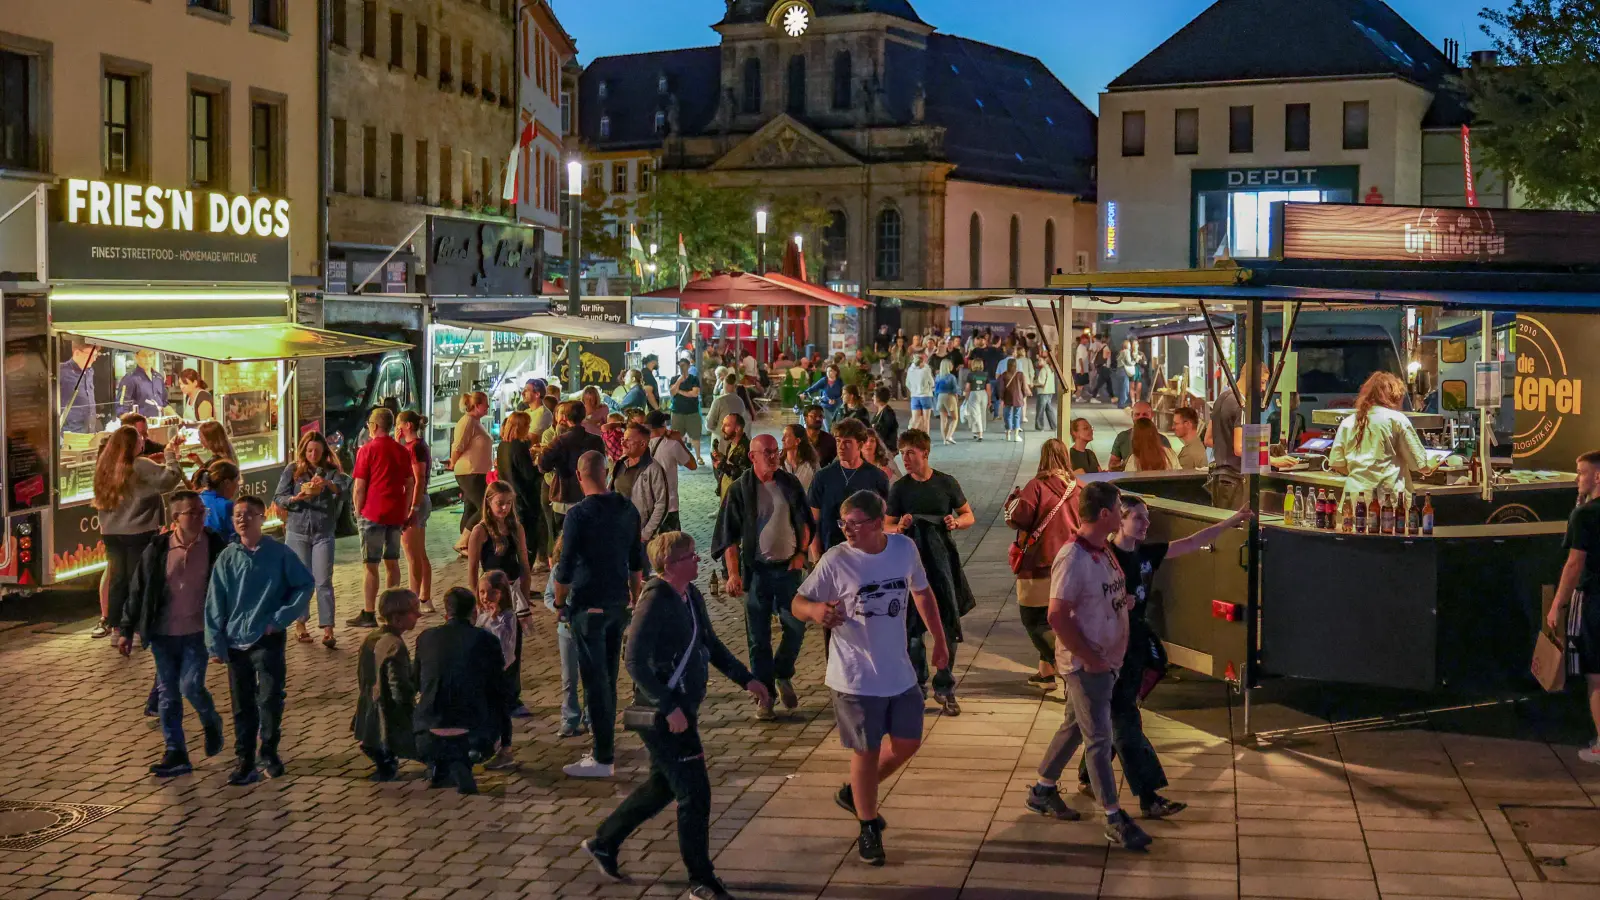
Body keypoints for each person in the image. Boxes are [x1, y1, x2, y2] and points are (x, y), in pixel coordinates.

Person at [578, 533, 765, 898]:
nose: (698, 561)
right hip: (666, 715)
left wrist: (748, 680)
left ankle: (604, 841)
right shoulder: (655, 601)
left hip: (683, 707)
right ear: (670, 564)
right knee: (695, 793)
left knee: (663, 785)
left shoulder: (690, 595)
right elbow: (633, 660)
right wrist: (669, 706)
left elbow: (709, 643)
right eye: (691, 557)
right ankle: (700, 879)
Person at [791, 490, 949, 866]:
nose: (847, 530)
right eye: (843, 523)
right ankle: (867, 826)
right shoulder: (836, 560)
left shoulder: (903, 550)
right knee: (868, 750)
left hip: (898, 670)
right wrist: (816, 611)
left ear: (879, 523)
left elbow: (923, 594)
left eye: (855, 523)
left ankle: (857, 793)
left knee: (908, 742)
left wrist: (940, 641)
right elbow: (798, 603)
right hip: (855, 675)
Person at [1078, 494, 1250, 813]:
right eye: (1139, 518)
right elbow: (1080, 601)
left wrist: (1231, 522)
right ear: (1120, 520)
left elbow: (1190, 542)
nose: (1146, 524)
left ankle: (1089, 774)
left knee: (1116, 714)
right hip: (1109, 647)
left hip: (1136, 644)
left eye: (1147, 518)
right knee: (1125, 718)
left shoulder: (1145, 554)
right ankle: (1148, 797)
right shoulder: (1103, 557)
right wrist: (1114, 605)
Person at [1024, 481, 1152, 851]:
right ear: (1106, 514)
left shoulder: (1102, 550)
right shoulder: (1073, 557)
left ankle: (1043, 790)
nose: (1125, 514)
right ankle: (1114, 817)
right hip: (1087, 666)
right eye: (1119, 507)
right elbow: (1057, 616)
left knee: (1073, 726)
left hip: (1104, 661)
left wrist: (1121, 602)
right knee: (1099, 739)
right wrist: (1092, 659)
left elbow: (1099, 596)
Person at [116, 490, 228, 777]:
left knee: (191, 685)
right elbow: (138, 589)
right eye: (193, 512)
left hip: (198, 632)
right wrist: (127, 629)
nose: (200, 516)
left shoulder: (215, 545)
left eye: (202, 511)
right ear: (176, 518)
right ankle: (176, 752)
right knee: (167, 695)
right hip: (164, 634)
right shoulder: (158, 548)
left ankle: (210, 721)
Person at [204, 495, 314, 786]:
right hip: (235, 641)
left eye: (248, 514)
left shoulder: (279, 554)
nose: (242, 519)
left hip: (267, 638)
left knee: (269, 698)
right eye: (237, 515)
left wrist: (278, 619)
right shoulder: (228, 557)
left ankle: (269, 750)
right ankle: (245, 758)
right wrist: (214, 642)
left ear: (261, 518)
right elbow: (215, 601)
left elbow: (304, 584)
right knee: (241, 703)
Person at [553, 451, 646, 778]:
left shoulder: (578, 515)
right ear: (605, 472)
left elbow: (564, 568)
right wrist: (633, 598)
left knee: (595, 680)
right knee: (608, 676)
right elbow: (637, 561)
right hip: (617, 602)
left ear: (580, 476)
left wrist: (560, 602)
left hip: (588, 602)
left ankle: (602, 755)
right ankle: (603, 743)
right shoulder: (627, 509)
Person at [713, 434, 814, 720]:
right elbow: (728, 537)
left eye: (776, 451)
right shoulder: (740, 490)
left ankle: (782, 672)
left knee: (796, 625)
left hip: (788, 571)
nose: (773, 456)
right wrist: (733, 575)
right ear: (752, 456)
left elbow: (805, 522)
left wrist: (801, 553)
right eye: (767, 452)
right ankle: (765, 696)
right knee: (758, 638)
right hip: (756, 572)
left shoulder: (789, 483)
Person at [888, 430, 976, 715]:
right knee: (913, 631)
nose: (906, 459)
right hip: (910, 566)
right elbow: (886, 526)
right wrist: (899, 527)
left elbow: (968, 515)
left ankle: (945, 686)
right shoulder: (900, 488)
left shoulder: (946, 483)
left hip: (942, 564)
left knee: (947, 626)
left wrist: (956, 522)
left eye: (910, 453)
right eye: (902, 453)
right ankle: (917, 686)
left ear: (925, 453)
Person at [93, 425, 187, 639]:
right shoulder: (140, 465)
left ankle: (116, 626)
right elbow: (169, 479)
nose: (143, 441)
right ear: (131, 444)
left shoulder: (105, 466)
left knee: (118, 579)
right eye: (139, 439)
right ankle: (134, 628)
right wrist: (170, 456)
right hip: (138, 531)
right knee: (139, 580)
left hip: (111, 532)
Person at [412, 586, 506, 795]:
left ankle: (439, 761)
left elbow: (416, 682)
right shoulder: (486, 640)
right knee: (496, 699)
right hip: (473, 732)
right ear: (473, 612)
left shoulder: (426, 638)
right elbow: (498, 685)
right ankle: (462, 759)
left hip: (427, 729)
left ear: (446, 612)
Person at [1006, 440, 1081, 687]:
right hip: (1070, 563)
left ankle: (1068, 672)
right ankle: (1045, 673)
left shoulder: (1036, 486)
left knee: (1034, 620)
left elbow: (1019, 518)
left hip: (1039, 563)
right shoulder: (1078, 487)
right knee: (1058, 620)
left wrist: (1011, 503)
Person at [1547, 449, 1600, 764]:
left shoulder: (1584, 515)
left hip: (1595, 599)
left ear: (1597, 476)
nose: (1577, 479)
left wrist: (1557, 605)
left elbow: (1574, 564)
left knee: (1596, 677)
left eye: (1581, 473)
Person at [273, 434, 348, 646]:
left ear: (324, 451)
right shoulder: (292, 470)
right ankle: (300, 623)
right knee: (300, 580)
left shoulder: (332, 471)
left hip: (323, 532)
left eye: (316, 450)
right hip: (297, 531)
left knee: (323, 579)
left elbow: (344, 491)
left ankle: (328, 629)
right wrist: (295, 499)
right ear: (303, 451)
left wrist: (328, 484)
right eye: (309, 451)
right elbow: (278, 496)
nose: (312, 455)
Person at [348, 408, 417, 629]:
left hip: (373, 512)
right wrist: (406, 510)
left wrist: (358, 511)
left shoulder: (366, 450)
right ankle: (391, 610)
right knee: (392, 562)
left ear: (375, 426)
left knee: (370, 565)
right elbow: (410, 483)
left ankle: (369, 612)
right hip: (395, 513)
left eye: (369, 423)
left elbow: (359, 486)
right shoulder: (402, 450)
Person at [1328, 371, 1433, 505]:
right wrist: (1432, 467)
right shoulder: (1397, 419)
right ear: (1394, 396)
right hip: (1389, 501)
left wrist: (1364, 473)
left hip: (1354, 499)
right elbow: (1420, 464)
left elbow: (1337, 463)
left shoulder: (1349, 421)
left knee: (1355, 526)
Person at [352, 587, 421, 782]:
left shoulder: (371, 638)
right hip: (388, 707)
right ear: (398, 618)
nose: (418, 615)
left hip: (369, 701)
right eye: (414, 611)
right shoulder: (395, 645)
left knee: (377, 738)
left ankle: (383, 759)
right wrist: (410, 704)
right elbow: (398, 684)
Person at [807, 418, 891, 560]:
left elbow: (884, 520)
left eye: (847, 442)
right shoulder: (823, 477)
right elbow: (813, 520)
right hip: (832, 553)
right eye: (838, 441)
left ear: (860, 444)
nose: (840, 447)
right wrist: (816, 557)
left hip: (867, 554)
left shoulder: (877, 477)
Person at [475, 569, 525, 771]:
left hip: (500, 674)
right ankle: (491, 745)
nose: (486, 598)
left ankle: (505, 750)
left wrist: (495, 619)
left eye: (491, 592)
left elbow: (506, 648)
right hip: (484, 673)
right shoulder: (483, 615)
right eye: (482, 592)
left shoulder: (507, 617)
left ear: (503, 593)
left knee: (501, 711)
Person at [540, 400, 607, 531]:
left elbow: (543, 465)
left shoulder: (560, 441)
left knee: (562, 544)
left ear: (565, 418)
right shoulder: (596, 440)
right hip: (590, 496)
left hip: (564, 498)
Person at [395, 411, 434, 611]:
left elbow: (418, 479)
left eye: (399, 424)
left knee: (412, 556)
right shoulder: (415, 446)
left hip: (415, 501)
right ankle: (424, 596)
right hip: (418, 501)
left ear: (407, 425)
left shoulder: (415, 447)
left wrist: (413, 506)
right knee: (419, 553)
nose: (397, 428)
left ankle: (414, 599)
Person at [497, 411, 546, 564]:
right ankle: (523, 578)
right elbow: (528, 474)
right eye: (527, 425)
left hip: (510, 496)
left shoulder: (502, 445)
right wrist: (539, 465)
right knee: (528, 541)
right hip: (523, 499)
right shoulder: (519, 445)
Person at [446, 391, 493, 552]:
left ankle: (467, 543)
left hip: (478, 472)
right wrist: (452, 461)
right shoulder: (467, 422)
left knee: (471, 507)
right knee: (485, 507)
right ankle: (463, 541)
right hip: (469, 471)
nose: (488, 406)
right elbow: (458, 445)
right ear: (476, 405)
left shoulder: (476, 422)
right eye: (485, 403)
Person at [611, 423, 671, 544]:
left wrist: (645, 535)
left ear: (643, 444)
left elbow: (661, 504)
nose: (623, 443)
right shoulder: (620, 463)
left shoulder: (653, 469)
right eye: (623, 439)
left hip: (639, 536)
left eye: (628, 440)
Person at [645, 410, 698, 533]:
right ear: (662, 427)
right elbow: (692, 465)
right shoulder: (672, 445)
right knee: (672, 546)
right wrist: (679, 440)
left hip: (647, 505)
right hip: (669, 505)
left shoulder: (641, 445)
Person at [1108, 402, 1171, 471]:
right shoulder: (1122, 437)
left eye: (1145, 414)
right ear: (1132, 415)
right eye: (1137, 414)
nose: (1141, 417)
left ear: (1152, 415)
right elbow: (1112, 464)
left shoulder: (1163, 440)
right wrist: (1124, 466)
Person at [60, 341, 101, 434]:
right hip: (71, 432)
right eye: (90, 355)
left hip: (90, 430)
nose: (93, 359)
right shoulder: (61, 372)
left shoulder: (90, 371)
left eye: (95, 355)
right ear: (77, 353)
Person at [669, 358, 703, 462]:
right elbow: (672, 392)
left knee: (695, 436)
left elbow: (694, 393)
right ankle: (679, 457)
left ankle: (698, 457)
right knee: (677, 437)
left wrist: (679, 391)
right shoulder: (674, 379)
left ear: (688, 366)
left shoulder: (694, 379)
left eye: (683, 365)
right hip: (677, 412)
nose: (681, 367)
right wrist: (679, 381)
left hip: (692, 412)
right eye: (679, 365)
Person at [116, 348, 168, 417]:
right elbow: (121, 410)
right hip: (140, 425)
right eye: (144, 356)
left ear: (154, 357)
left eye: (150, 355)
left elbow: (165, 404)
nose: (147, 359)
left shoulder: (159, 378)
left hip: (160, 424)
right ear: (136, 357)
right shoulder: (129, 379)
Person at [198, 460, 241, 542]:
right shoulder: (227, 506)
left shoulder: (197, 499)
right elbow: (237, 538)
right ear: (227, 483)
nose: (238, 486)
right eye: (237, 481)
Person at [711, 413, 751, 498]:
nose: (722, 428)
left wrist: (721, 465)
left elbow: (743, 474)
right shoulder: (731, 444)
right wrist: (722, 458)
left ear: (737, 429)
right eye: (723, 424)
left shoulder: (746, 448)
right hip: (727, 494)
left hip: (735, 498)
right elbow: (732, 464)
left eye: (727, 425)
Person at [998, 351, 1030, 442]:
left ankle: (1008, 433)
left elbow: (1001, 388)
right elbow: (1024, 387)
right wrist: (1023, 396)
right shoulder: (1020, 374)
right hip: (1018, 398)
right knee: (1016, 416)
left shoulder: (1004, 374)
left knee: (1007, 415)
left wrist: (1002, 398)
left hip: (1007, 397)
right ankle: (1016, 436)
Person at [781, 423, 819, 490]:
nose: (782, 439)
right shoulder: (778, 464)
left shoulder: (811, 465)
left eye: (786, 436)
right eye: (783, 435)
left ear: (797, 441)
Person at [961, 357, 990, 440]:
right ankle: (977, 431)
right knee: (982, 413)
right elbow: (988, 388)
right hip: (983, 394)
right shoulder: (985, 374)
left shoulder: (970, 375)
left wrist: (966, 398)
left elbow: (967, 388)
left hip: (974, 394)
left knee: (975, 413)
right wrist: (990, 400)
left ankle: (979, 433)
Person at [905, 351, 934, 433]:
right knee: (926, 420)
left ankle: (910, 437)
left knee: (915, 420)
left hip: (914, 397)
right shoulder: (925, 370)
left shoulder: (910, 370)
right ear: (921, 361)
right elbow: (932, 383)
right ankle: (926, 438)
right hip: (926, 396)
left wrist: (913, 390)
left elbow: (907, 383)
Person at [1032, 347, 1059, 433]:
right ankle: (1054, 426)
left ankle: (1039, 427)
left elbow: (1041, 382)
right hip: (1050, 391)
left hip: (1043, 392)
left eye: (1040, 360)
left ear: (1045, 361)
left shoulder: (1043, 370)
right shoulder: (1050, 369)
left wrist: (1033, 384)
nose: (1039, 362)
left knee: (1040, 410)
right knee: (1049, 409)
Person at [869, 387, 899, 451]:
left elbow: (888, 428)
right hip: (880, 445)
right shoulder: (880, 409)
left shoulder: (888, 412)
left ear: (879, 398)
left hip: (886, 447)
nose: (872, 398)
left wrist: (875, 426)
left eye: (874, 396)